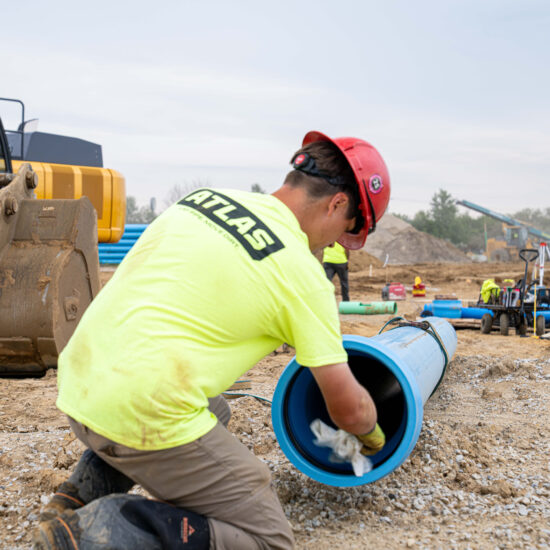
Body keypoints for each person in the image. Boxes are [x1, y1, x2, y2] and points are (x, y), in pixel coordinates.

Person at [34, 131, 391, 550]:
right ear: (338, 204)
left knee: (214, 409)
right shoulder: (304, 277)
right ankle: (99, 532)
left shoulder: (202, 200)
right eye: (345, 232)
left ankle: (76, 495)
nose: (335, 245)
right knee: (269, 540)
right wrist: (374, 437)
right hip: (135, 410)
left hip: (81, 381)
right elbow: (348, 408)